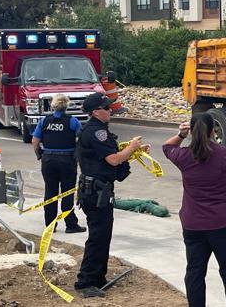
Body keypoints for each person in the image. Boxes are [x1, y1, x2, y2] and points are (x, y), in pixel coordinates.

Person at [162, 113, 226, 307]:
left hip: (193, 224)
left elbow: (167, 147)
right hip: (223, 224)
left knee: (195, 272)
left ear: (192, 131)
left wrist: (181, 134)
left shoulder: (184, 155)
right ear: (213, 131)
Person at [74, 92, 145, 298]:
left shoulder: (98, 130)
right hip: (96, 192)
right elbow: (113, 160)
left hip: (100, 190)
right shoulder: (96, 132)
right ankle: (86, 281)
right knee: (97, 237)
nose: (110, 111)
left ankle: (97, 277)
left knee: (103, 236)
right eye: (107, 108)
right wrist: (131, 148)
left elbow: (108, 158)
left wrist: (133, 152)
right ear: (96, 112)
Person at [31, 93, 86, 234]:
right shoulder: (72, 121)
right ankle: (71, 224)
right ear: (66, 106)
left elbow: (35, 141)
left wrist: (40, 155)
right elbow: (82, 139)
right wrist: (78, 155)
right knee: (67, 192)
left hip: (48, 160)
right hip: (67, 160)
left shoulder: (44, 121)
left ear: (53, 105)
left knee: (50, 191)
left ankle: (50, 225)